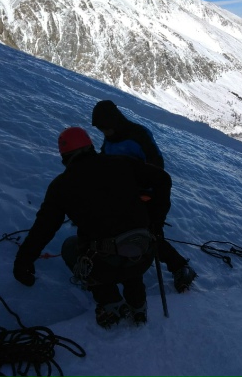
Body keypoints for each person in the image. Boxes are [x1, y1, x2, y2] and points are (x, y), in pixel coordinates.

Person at [13, 127, 172, 328]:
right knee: (128, 243)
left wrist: (23, 262)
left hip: (104, 264)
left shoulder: (61, 186)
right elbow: (163, 179)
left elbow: (43, 229)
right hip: (143, 254)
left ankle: (110, 301)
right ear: (90, 146)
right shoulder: (122, 163)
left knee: (71, 247)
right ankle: (137, 303)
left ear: (64, 156)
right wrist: (156, 222)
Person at [91, 100, 197, 293]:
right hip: (123, 196)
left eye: (105, 128)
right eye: (101, 129)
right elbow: (105, 162)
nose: (103, 132)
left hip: (146, 195)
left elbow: (157, 168)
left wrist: (141, 188)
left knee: (149, 233)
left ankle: (180, 267)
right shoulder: (110, 139)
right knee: (128, 232)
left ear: (114, 121)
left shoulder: (138, 135)